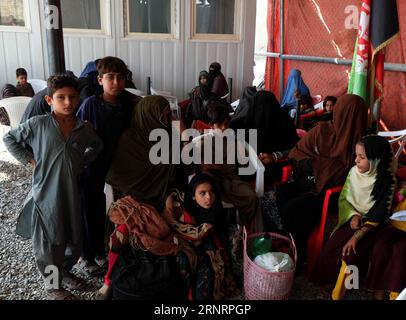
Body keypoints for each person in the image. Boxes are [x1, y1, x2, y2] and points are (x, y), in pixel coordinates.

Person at [3, 74, 103, 300]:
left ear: (78, 99)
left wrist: (83, 161)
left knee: (73, 239)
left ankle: (64, 272)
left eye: (72, 97)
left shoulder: (82, 129)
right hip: (45, 195)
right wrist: (30, 161)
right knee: (48, 244)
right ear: (49, 100)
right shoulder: (39, 124)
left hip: (72, 194)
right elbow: (10, 139)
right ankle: (52, 286)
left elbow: (97, 145)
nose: (67, 102)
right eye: (61, 98)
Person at [275, 94, 368, 267]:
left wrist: (323, 166)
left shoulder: (366, 145)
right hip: (313, 181)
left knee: (294, 209)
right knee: (282, 192)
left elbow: (361, 181)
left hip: (339, 195)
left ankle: (300, 251)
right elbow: (298, 151)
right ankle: (292, 240)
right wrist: (319, 166)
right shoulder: (325, 130)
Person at [76, 56, 141, 275]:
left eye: (121, 77)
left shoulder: (130, 104)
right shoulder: (90, 105)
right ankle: (87, 255)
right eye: (110, 77)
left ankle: (108, 251)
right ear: (100, 80)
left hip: (121, 168)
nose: (116, 82)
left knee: (118, 211)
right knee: (90, 210)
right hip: (94, 168)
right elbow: (77, 138)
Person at [310, 135, 396, 300]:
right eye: (356, 155)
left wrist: (357, 236)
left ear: (376, 160)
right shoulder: (353, 173)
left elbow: (380, 214)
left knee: (351, 254)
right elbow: (344, 199)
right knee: (331, 248)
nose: (356, 160)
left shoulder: (387, 181)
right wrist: (353, 215)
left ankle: (350, 285)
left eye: (362, 157)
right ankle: (331, 283)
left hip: (373, 226)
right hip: (353, 218)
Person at [163, 174, 240, 300]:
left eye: (211, 192)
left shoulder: (216, 211)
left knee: (205, 285)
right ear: (193, 196)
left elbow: (213, 236)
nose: (209, 197)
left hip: (208, 248)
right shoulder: (185, 208)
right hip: (187, 247)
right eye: (202, 193)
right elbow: (174, 222)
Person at [243, 90, 299, 183]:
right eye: (259, 107)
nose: (264, 112)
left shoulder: (285, 123)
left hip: (276, 165)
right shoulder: (248, 121)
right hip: (251, 164)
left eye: (268, 107)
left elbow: (296, 148)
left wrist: (275, 156)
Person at [365, 183, 406, 300]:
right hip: (396, 223)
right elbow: (397, 199)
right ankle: (378, 289)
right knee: (380, 246)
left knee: (400, 250)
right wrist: (402, 189)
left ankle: (394, 292)